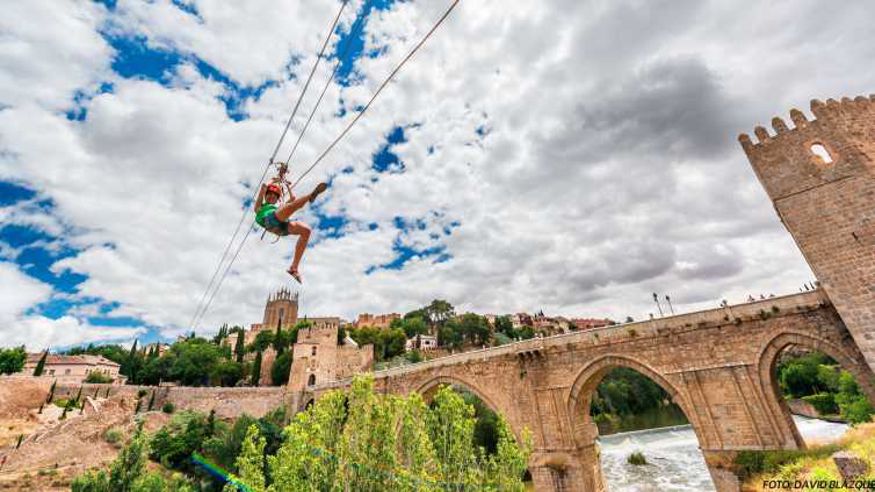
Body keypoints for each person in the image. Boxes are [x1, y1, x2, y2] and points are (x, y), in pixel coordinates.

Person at [254, 178, 328, 283]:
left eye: (274, 196)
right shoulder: (259, 207)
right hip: (269, 221)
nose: (271, 196)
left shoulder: (278, 207)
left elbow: (293, 197)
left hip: (282, 227)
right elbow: (264, 187)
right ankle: (310, 195)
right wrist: (275, 180)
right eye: (269, 195)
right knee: (291, 207)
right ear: (265, 197)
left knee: (306, 231)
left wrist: (287, 185)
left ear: (277, 199)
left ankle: (294, 268)